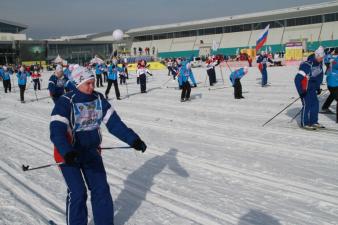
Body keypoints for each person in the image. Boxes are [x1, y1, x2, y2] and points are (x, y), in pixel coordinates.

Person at [50, 66, 147, 225]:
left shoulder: (98, 99)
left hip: (91, 152)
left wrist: (133, 140)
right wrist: (67, 151)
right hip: (68, 154)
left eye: (93, 82)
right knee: (78, 192)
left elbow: (115, 124)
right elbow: (56, 131)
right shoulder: (66, 101)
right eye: (88, 83)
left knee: (101, 189)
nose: (92, 87)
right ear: (78, 83)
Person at [294, 46, 325, 130]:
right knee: (307, 104)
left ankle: (314, 121)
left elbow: (319, 77)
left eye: (323, 58)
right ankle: (305, 123)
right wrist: (301, 91)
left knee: (315, 103)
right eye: (321, 57)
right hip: (305, 88)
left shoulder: (319, 65)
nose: (322, 59)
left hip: (312, 88)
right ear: (317, 56)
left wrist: (318, 88)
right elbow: (297, 79)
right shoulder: (306, 65)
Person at [321, 47, 338, 122]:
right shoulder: (335, 59)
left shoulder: (330, 57)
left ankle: (325, 107)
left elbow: (327, 63)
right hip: (334, 82)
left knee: (332, 95)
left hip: (331, 80)